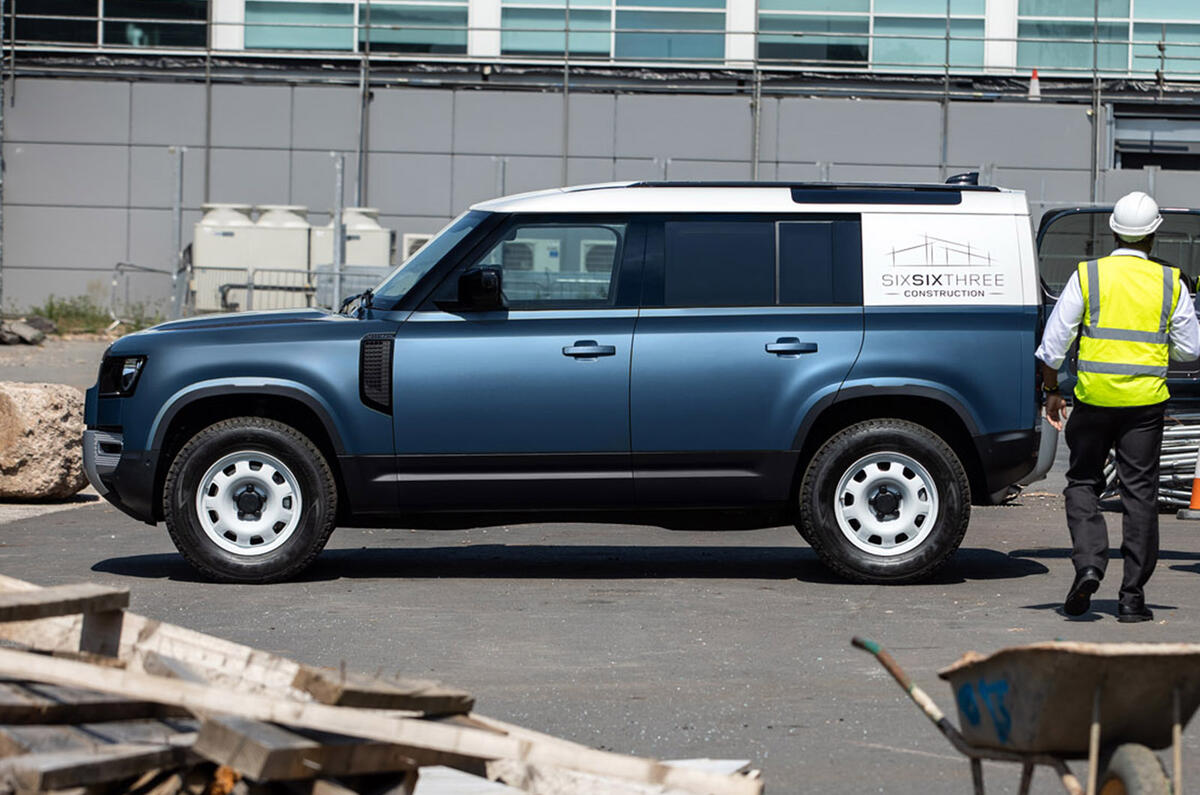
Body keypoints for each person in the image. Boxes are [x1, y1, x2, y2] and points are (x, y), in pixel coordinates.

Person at [1036, 191, 1200, 622]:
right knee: (1139, 494)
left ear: (1113, 231)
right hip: (1145, 405)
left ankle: (1090, 564)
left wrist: (1051, 390)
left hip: (1093, 400)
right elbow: (1190, 349)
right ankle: (1131, 599)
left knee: (1082, 483)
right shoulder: (1171, 282)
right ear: (1154, 234)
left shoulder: (1088, 275)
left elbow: (1053, 346)